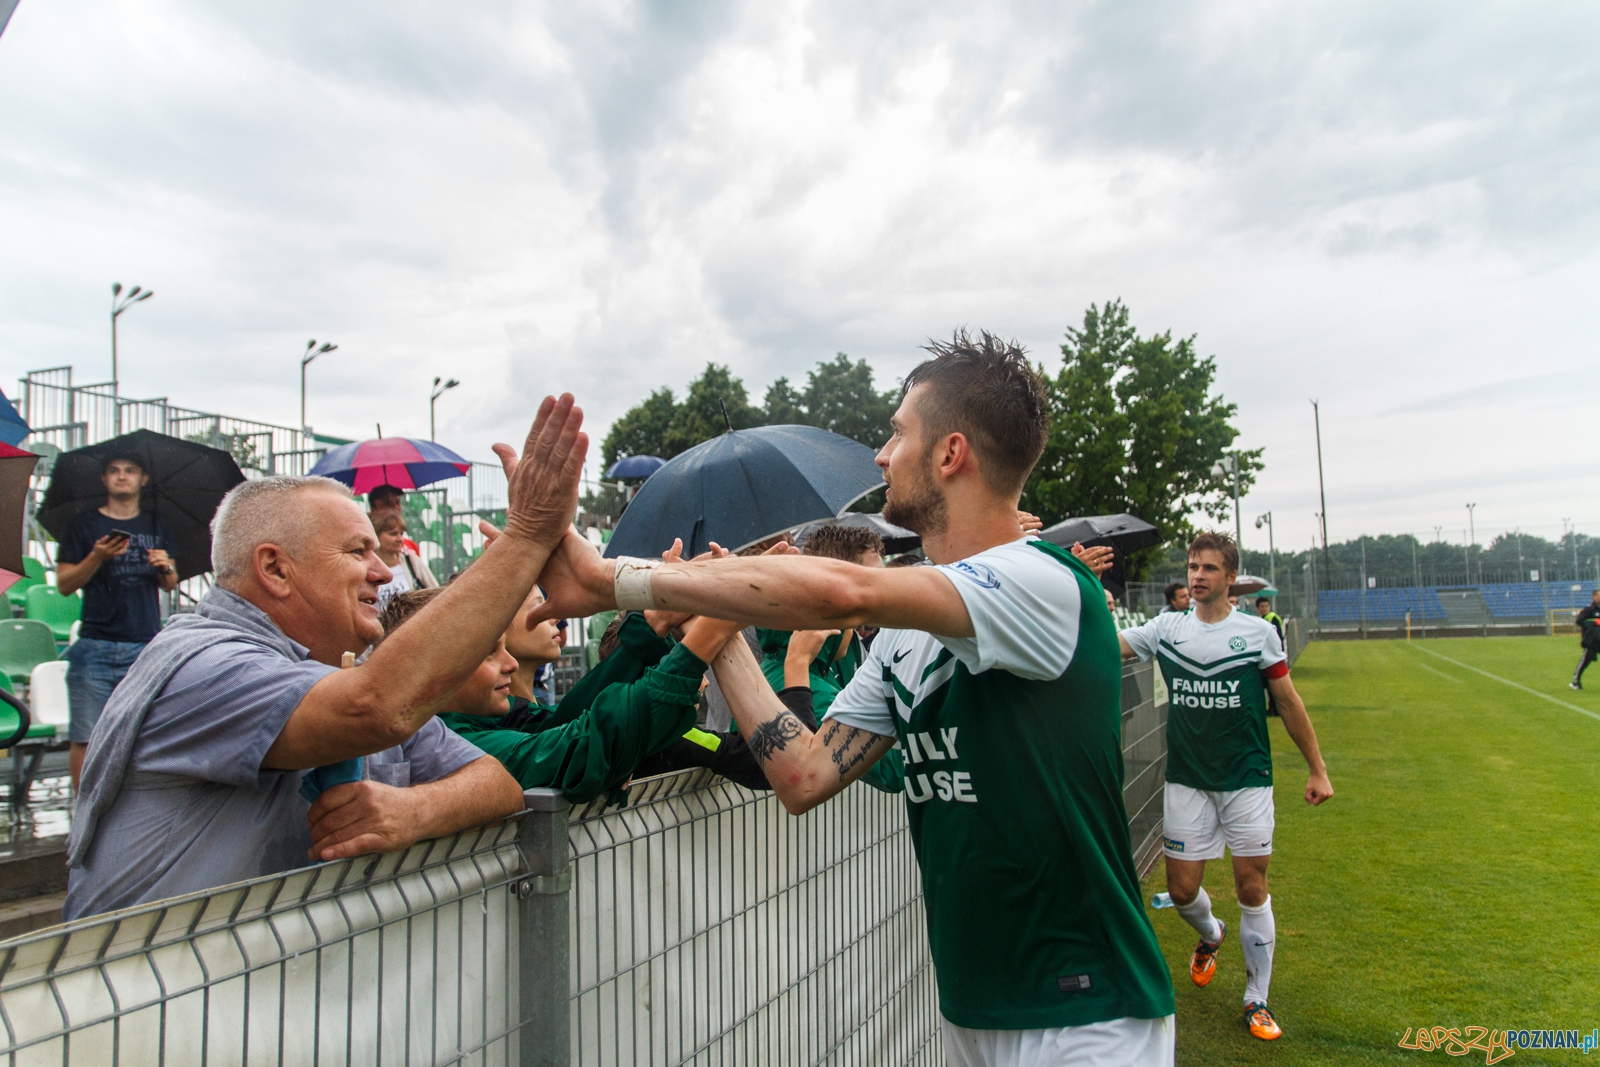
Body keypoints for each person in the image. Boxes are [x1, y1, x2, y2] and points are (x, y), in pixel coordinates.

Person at [529, 331, 1176, 1067]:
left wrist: (613, 579)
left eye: (897, 432)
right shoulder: (906, 636)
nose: (881, 454)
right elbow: (804, 774)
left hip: (1085, 1013)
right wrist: (722, 633)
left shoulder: (1043, 580)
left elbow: (843, 591)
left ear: (949, 453)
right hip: (973, 1006)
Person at [64, 394, 588, 919]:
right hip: (155, 996)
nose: (383, 572)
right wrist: (526, 537)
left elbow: (498, 784)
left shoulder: (340, 674)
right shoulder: (200, 664)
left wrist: (414, 810)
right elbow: (377, 709)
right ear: (274, 569)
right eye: (356, 551)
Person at [1118, 532, 1332, 1042]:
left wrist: (1317, 768)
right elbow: (1106, 644)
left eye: (1209, 568)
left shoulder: (1257, 633)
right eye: (1193, 566)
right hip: (1187, 782)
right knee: (1181, 890)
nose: (1197, 576)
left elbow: (1289, 702)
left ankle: (1257, 998)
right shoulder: (1167, 629)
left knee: (1251, 888)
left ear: (1230, 577)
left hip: (1246, 781)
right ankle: (1210, 935)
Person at [384, 587, 744, 800]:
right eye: (488, 652)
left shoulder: (481, 722)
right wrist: (703, 638)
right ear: (428, 669)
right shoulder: (453, 742)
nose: (508, 664)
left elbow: (563, 726)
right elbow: (578, 745)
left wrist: (653, 625)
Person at [55, 454, 180, 788]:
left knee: (145, 736)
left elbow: (170, 583)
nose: (121, 477)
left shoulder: (158, 524)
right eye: (113, 471)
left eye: (130, 471)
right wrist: (97, 557)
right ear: (103, 480)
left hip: (145, 645)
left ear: (143, 479)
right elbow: (65, 585)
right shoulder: (81, 525)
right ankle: (83, 818)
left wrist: (164, 567)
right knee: (85, 736)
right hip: (94, 645)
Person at [372, 510, 438, 611]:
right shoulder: (368, 566)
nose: (400, 539)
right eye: (393, 534)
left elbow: (436, 593)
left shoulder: (412, 561)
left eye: (401, 534)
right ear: (376, 536)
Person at [368, 484, 422, 555]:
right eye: (388, 503)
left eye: (397, 502)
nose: (394, 507)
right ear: (373, 509)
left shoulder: (411, 546)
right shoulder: (367, 548)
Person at [1572, 588, 1600, 690]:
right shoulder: (1589, 609)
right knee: (1586, 661)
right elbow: (1579, 620)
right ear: (1595, 597)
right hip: (1592, 641)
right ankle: (1576, 681)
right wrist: (1591, 626)